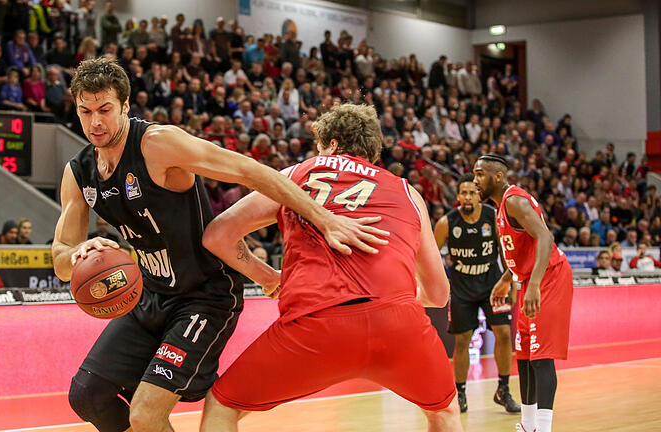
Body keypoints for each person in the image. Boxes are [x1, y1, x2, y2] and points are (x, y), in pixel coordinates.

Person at [51, 58, 382, 432]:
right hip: (149, 295)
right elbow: (62, 259)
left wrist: (324, 217)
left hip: (203, 296)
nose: (95, 122)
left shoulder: (158, 144)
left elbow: (249, 170)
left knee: (145, 413)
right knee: (88, 394)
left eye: (105, 110)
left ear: (125, 106)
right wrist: (76, 255)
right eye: (86, 111)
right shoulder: (78, 173)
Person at [199, 104, 461, 432]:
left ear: (331, 144)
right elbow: (438, 295)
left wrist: (267, 277)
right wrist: (388, 301)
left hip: (315, 326)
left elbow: (216, 235)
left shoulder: (295, 174)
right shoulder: (408, 192)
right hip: (399, 326)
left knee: (223, 405)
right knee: (444, 412)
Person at [473, 154, 573, 432]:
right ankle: (529, 426)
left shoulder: (514, 201)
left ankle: (543, 428)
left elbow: (545, 236)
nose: (475, 180)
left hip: (549, 277)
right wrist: (508, 278)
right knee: (526, 356)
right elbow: (521, 249)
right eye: (473, 174)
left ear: (498, 176)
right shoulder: (500, 209)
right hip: (530, 279)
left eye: (480, 174)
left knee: (541, 356)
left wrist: (534, 285)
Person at [434, 174, 520, 414]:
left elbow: (506, 251)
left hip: (493, 283)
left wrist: (510, 281)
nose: (468, 197)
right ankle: (460, 392)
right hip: (462, 286)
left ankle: (503, 390)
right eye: (464, 193)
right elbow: (430, 255)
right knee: (462, 340)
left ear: (478, 195)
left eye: (472, 192)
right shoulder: (447, 223)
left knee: (504, 334)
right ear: (458, 196)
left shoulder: (492, 217)